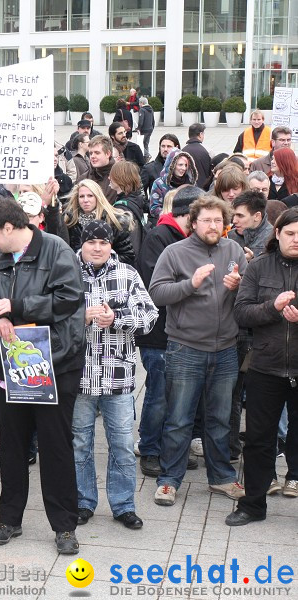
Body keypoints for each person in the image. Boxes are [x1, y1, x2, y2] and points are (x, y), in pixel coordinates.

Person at [0, 198, 86, 555]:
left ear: (8, 228)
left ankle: (64, 525)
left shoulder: (56, 251)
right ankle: (10, 519)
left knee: (56, 447)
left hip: (54, 365)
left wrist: (18, 308)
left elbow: (69, 299)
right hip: (9, 369)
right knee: (13, 446)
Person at [148, 196, 247, 507]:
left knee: (220, 419)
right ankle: (169, 480)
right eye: (207, 220)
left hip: (226, 349)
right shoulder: (174, 252)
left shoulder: (233, 250)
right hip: (185, 348)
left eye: (218, 220)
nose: (213, 226)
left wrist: (239, 285)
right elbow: (157, 293)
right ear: (193, 223)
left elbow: (249, 294)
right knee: (179, 418)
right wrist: (190, 284)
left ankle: (221, 477)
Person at [73, 220, 157, 531]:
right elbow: (52, 314)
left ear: (111, 245)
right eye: (91, 242)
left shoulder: (127, 274)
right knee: (79, 442)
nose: (97, 247)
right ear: (82, 244)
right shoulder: (68, 272)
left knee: (121, 443)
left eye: (103, 242)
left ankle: (123, 505)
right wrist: (82, 317)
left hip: (118, 374)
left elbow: (150, 316)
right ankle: (83, 501)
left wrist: (117, 318)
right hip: (79, 375)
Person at [226, 208, 298, 526]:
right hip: (266, 366)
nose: (296, 239)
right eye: (291, 233)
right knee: (258, 439)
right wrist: (273, 307)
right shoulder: (259, 267)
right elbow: (242, 313)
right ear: (278, 234)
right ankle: (253, 504)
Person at [135, 186, 202, 478]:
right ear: (188, 215)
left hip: (184, 331)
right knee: (159, 394)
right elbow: (154, 286)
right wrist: (194, 285)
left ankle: (172, 448)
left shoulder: (192, 239)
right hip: (158, 332)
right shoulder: (159, 237)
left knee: (179, 396)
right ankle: (150, 449)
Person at [64, 179, 135, 264]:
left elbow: (127, 255)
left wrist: (101, 264)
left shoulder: (115, 221)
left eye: (90, 196)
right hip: (78, 272)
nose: (85, 200)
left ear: (98, 197)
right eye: (82, 196)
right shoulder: (70, 221)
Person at [109, 161, 148, 259]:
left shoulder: (122, 208)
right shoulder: (135, 200)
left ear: (120, 178)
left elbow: (131, 243)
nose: (109, 178)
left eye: (112, 175)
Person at [148, 149, 198, 219]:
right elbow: (154, 208)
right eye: (180, 165)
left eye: (186, 165)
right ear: (172, 165)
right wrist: (171, 217)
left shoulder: (190, 183)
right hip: (167, 223)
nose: (183, 168)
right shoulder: (159, 184)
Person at [229, 191, 273, 260]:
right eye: (233, 215)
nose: (234, 221)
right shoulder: (230, 236)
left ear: (257, 216)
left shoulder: (273, 239)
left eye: (240, 216)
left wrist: (251, 262)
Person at [141, 134, 180, 202]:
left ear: (176, 147)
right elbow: (140, 193)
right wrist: (149, 206)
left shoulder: (183, 167)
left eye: (169, 146)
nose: (165, 149)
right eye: (163, 146)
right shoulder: (149, 168)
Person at [86, 136, 119, 203]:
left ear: (108, 154)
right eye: (90, 153)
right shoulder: (84, 178)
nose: (92, 156)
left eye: (97, 153)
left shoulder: (120, 177)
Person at [183, 123, 213, 190]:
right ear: (200, 134)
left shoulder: (182, 151)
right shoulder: (208, 150)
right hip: (204, 189)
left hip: (187, 189)